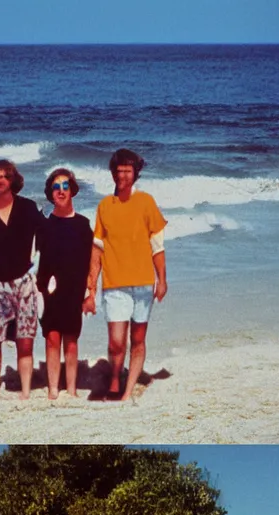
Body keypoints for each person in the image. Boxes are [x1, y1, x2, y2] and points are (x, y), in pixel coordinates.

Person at [89, 148, 168, 401]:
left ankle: (127, 390)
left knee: (138, 339)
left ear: (135, 174)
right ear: (113, 173)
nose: (123, 175)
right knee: (116, 342)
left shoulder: (146, 202)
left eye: (128, 170)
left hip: (144, 282)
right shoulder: (104, 205)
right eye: (119, 170)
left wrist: (162, 280)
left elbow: (158, 245)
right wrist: (91, 283)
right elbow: (97, 248)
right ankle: (114, 377)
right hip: (114, 284)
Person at [0, 158, 44, 402]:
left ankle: (25, 390)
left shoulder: (28, 207)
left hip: (24, 282)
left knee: (25, 340)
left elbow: (48, 238)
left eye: (5, 176)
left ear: (13, 180)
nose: (0, 180)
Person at [35, 168, 93, 399]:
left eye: (65, 186)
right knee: (52, 338)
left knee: (71, 340)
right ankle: (52, 388)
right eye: (56, 187)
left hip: (74, 288)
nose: (61, 191)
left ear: (73, 191)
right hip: (48, 288)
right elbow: (35, 258)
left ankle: (71, 388)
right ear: (50, 193)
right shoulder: (45, 225)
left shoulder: (83, 224)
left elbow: (91, 261)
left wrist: (89, 292)